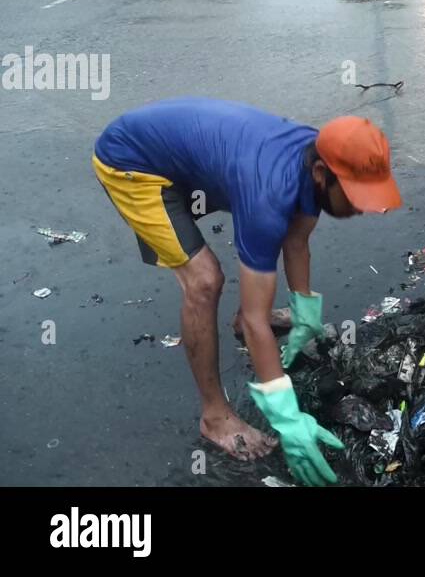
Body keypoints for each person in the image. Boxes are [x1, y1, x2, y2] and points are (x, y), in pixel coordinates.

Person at [92, 97, 402, 485]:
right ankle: (214, 416)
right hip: (131, 163)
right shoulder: (268, 191)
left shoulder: (314, 157)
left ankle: (248, 316)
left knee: (267, 251)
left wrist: (305, 308)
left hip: (189, 158)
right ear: (322, 173)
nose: (361, 209)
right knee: (204, 281)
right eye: (356, 196)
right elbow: (260, 315)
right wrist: (287, 418)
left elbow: (297, 240)